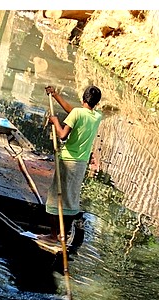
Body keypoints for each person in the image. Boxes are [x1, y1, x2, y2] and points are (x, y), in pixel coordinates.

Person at [42, 84, 102, 243]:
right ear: (96, 103)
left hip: (68, 160)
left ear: (83, 99)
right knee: (71, 198)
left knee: (55, 197)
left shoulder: (77, 113)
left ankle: (54, 236)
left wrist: (55, 121)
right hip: (81, 164)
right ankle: (64, 233)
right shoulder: (97, 116)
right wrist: (55, 95)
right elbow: (74, 111)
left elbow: (62, 135)